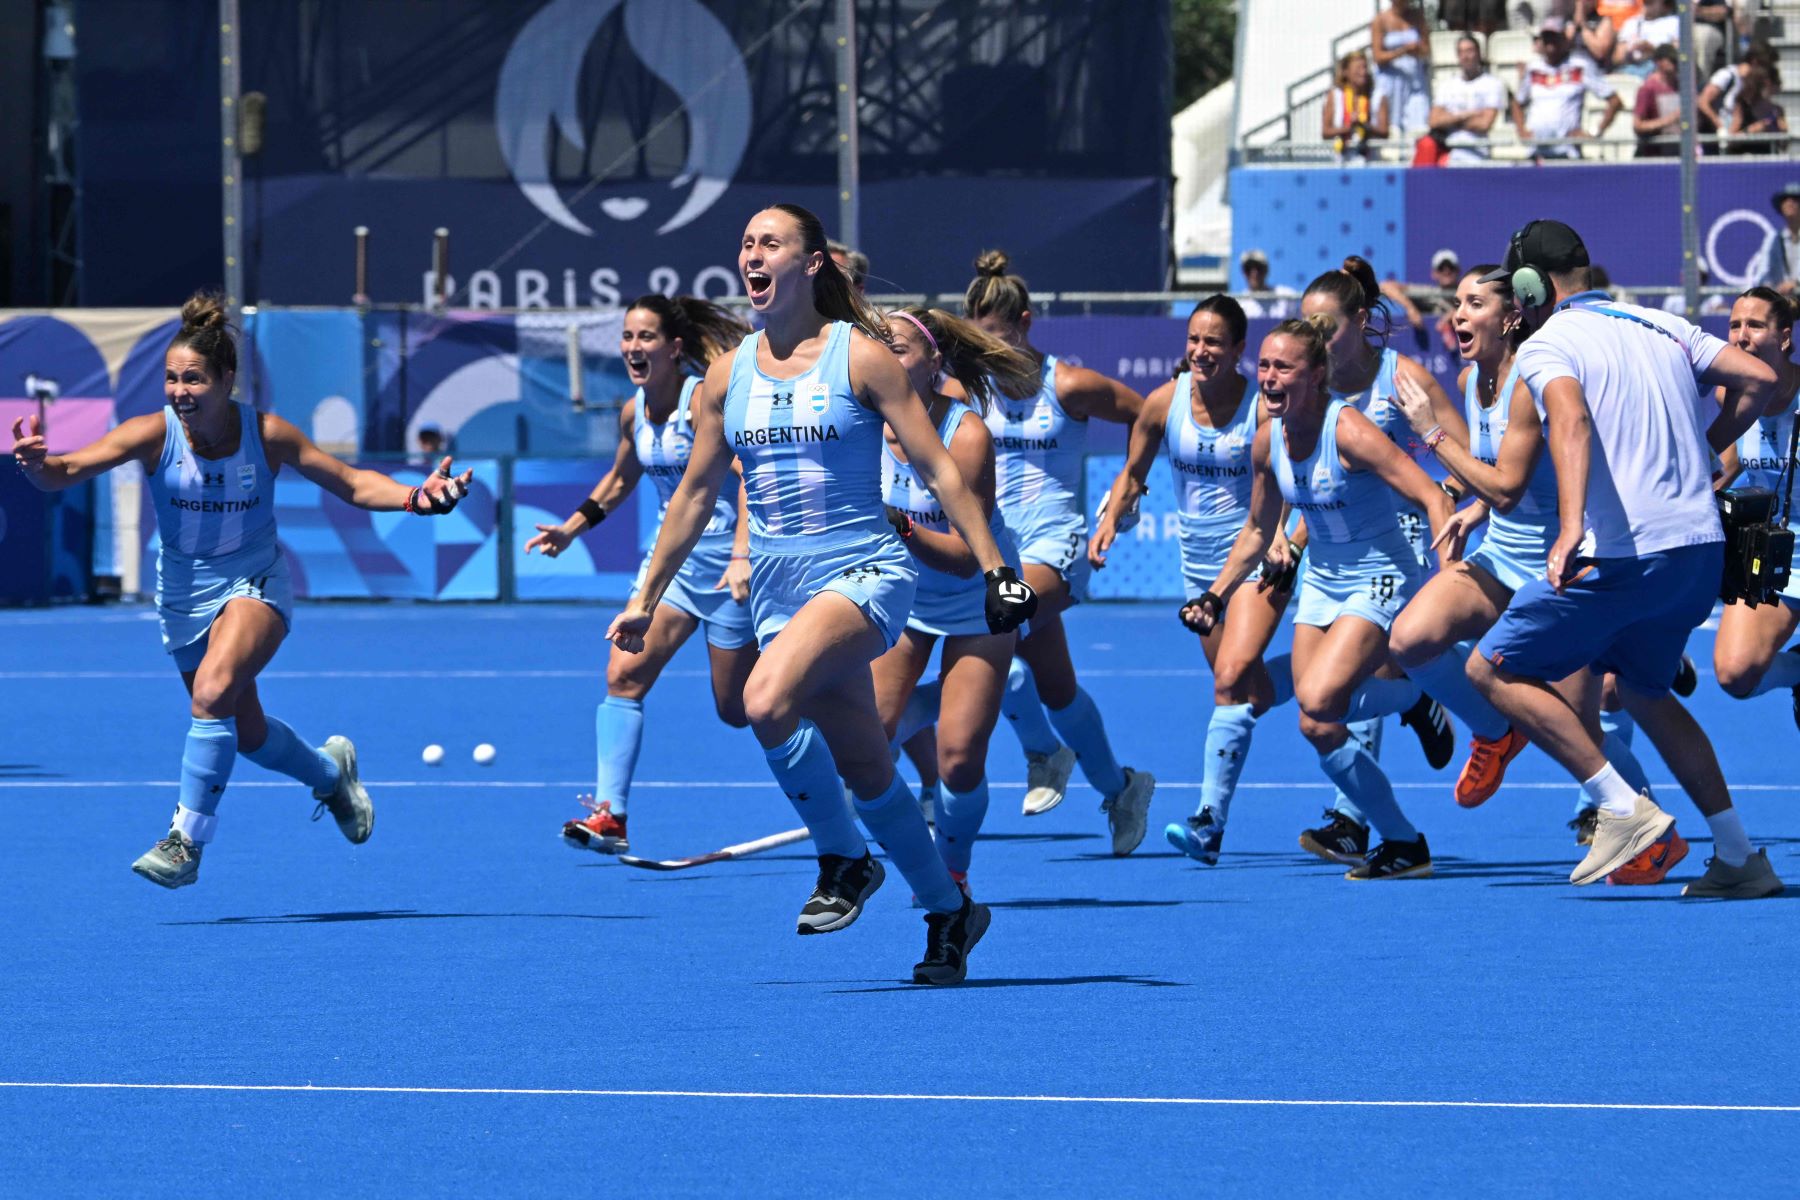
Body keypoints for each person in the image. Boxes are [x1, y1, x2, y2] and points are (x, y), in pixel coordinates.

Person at [606, 203, 1036, 984]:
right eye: (746, 244)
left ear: (812, 265)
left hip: (865, 571)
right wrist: (646, 594)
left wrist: (996, 569)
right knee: (870, 770)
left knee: (765, 702)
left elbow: (940, 468)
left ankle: (841, 860)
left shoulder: (860, 357)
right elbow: (695, 497)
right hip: (777, 586)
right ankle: (950, 911)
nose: (753, 254)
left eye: (771, 242)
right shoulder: (727, 376)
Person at [8, 293, 474, 887]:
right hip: (181, 594)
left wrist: (415, 496)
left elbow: (353, 484)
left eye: (194, 379)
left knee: (212, 689)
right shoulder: (151, 435)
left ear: (227, 379)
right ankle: (330, 775)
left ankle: (185, 841)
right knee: (246, 733)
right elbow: (65, 472)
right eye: (172, 378)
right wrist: (36, 466)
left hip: (255, 580)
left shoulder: (268, 434)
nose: (180, 391)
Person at [1465, 218, 1785, 898]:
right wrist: (1710, 442)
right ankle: (1739, 858)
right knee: (1644, 690)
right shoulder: (1659, 323)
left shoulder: (1548, 344)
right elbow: (1758, 376)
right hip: (1698, 550)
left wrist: (1571, 524)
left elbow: (1571, 421)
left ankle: (1622, 808)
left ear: (1528, 286)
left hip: (1624, 553)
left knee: (1489, 667)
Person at [1191, 317, 1454, 880]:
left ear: (1314, 376)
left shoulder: (1350, 431)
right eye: (1262, 365)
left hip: (1382, 573)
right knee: (1317, 722)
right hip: (1324, 580)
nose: (1268, 377)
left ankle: (1419, 699)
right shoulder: (1268, 441)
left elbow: (1430, 494)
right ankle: (1405, 836)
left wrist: (1445, 575)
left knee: (1316, 697)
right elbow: (1260, 532)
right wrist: (1216, 593)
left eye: (1282, 367)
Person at [527, 295, 757, 855]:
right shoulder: (633, 412)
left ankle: (854, 754)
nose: (633, 347)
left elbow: (750, 472)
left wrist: (743, 554)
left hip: (733, 573)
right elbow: (618, 480)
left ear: (674, 348)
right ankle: (612, 816)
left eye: (646, 337)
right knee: (623, 675)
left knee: (738, 710)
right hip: (671, 569)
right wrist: (571, 529)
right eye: (628, 337)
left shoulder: (704, 400)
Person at [1090, 297, 1310, 865]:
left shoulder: (1263, 411)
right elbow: (1133, 473)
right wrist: (1113, 517)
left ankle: (1208, 823)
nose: (1200, 351)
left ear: (1240, 350)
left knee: (1231, 679)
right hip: (1199, 565)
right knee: (1248, 691)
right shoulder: (1165, 404)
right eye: (1194, 340)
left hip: (1261, 557)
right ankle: (1369, 684)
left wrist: (1284, 533)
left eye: (1214, 342)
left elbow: (1289, 479)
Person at [959, 250, 1157, 852]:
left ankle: (1042, 751)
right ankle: (1121, 788)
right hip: (999, 545)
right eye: (976, 343)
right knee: (1055, 687)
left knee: (997, 626)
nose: (986, 354)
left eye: (994, 339)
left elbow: (1149, 414)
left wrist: (1130, 487)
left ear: (1024, 322)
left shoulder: (1066, 384)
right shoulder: (971, 389)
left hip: (1058, 541)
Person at [1292, 257, 1461, 861]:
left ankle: (1353, 819)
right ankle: (1415, 713)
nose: (1315, 340)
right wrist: (1292, 536)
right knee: (1335, 694)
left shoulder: (1401, 377)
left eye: (1326, 327)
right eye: (1305, 327)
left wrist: (1454, 523)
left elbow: (1462, 461)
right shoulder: (1309, 384)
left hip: (1408, 540)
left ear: (1362, 321)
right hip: (1336, 548)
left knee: (1348, 682)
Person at [872, 307, 1038, 895]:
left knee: (960, 759)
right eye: (877, 347)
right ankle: (868, 858)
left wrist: (903, 529)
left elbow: (967, 556)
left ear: (933, 361)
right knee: (867, 743)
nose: (885, 358)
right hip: (904, 600)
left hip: (977, 599)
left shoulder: (966, 435)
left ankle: (954, 871)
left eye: (899, 349)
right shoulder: (863, 424)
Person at [1711, 288, 1800, 715]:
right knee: (1735, 673)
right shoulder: (1730, 395)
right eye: (1734, 325)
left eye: (1755, 325)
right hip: (1777, 554)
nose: (1741, 336)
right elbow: (1723, 465)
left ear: (1784, 337)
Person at [1512, 18, 1621, 162]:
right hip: (1536, 151)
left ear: (1564, 39)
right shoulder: (1533, 68)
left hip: (1568, 154)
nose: (1551, 44)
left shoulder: (1580, 66)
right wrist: (1522, 131)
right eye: (1547, 38)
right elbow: (1517, 103)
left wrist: (1595, 132)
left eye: (1555, 38)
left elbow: (1614, 101)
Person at [1428, 37, 1510, 165]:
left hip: (1479, 155)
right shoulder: (1446, 85)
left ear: (1479, 53)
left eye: (1469, 51)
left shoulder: (1493, 84)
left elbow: (1484, 124)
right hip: (1450, 154)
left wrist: (1449, 119)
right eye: (1461, 52)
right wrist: (1466, 115)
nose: (1465, 56)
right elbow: (1434, 121)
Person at [1372, 1, 1433, 136]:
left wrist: (1416, 50)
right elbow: (1377, 56)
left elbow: (1426, 50)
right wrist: (1403, 50)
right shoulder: (1380, 20)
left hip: (1414, 81)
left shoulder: (1417, 18)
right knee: (1393, 129)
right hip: (1391, 82)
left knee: (1419, 128)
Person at [1324, 51, 1389, 163]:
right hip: (1342, 161)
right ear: (1346, 72)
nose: (1363, 72)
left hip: (1369, 161)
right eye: (1358, 68)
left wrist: (1364, 125)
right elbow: (1325, 132)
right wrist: (1348, 127)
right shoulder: (1335, 95)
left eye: (1365, 67)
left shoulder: (1377, 96)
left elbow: (1384, 132)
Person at [1632, 45, 1683, 159]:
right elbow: (1638, 125)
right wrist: (1668, 120)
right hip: (1654, 154)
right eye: (1670, 60)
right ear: (1658, 62)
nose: (1674, 64)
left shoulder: (1681, 87)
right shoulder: (1648, 89)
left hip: (1677, 151)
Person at [1727, 64, 1786, 155]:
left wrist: (1781, 131)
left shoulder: (1777, 110)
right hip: (1744, 158)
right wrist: (1751, 130)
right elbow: (1731, 140)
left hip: (1768, 159)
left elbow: (1784, 143)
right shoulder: (1742, 106)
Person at [1759, 180, 1800, 295]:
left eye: (1795, 199)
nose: (1789, 203)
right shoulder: (1773, 239)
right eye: (1785, 200)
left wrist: (1796, 282)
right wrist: (1766, 285)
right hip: (1784, 303)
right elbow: (1762, 270)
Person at [1239, 249, 1296, 319]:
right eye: (1248, 268)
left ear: (1266, 270)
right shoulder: (1239, 304)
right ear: (1243, 272)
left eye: (1258, 268)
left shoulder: (1286, 297)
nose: (1254, 273)